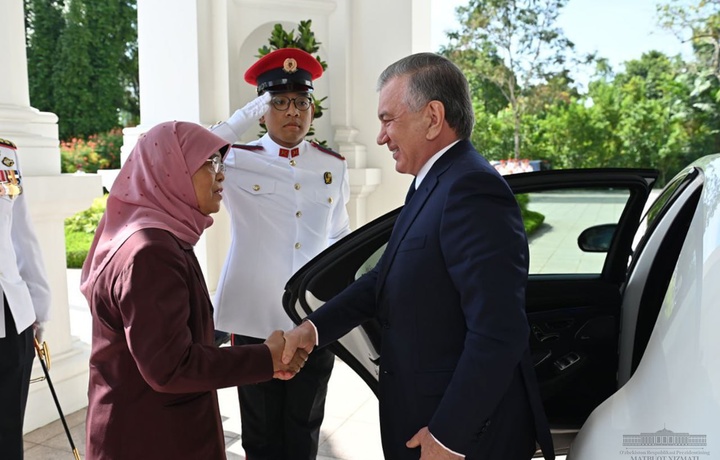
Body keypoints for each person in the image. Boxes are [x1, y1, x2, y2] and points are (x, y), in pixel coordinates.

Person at [282, 53, 556, 460]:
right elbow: (383, 278)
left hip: (459, 440)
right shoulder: (433, 183)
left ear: (432, 117)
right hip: (422, 421)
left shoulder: (472, 189)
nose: (381, 136)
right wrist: (313, 329)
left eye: (388, 119)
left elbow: (498, 331)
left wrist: (449, 437)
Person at [79, 121, 308, 459]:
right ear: (170, 170)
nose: (221, 175)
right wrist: (266, 357)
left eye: (221, 163)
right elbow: (171, 367)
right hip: (152, 438)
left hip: (151, 428)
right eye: (209, 163)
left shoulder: (159, 238)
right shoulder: (150, 251)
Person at [211, 47, 351, 459]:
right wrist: (240, 120)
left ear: (312, 109)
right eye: (279, 102)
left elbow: (339, 233)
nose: (293, 111)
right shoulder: (235, 158)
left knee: (304, 428)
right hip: (253, 318)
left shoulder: (332, 165)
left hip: (309, 319)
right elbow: (186, 154)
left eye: (301, 102)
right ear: (262, 109)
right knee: (260, 433)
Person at [0, 138, 52, 460]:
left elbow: (23, 234)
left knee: (7, 439)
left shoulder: (4, 156)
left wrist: (39, 307)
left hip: (10, 314)